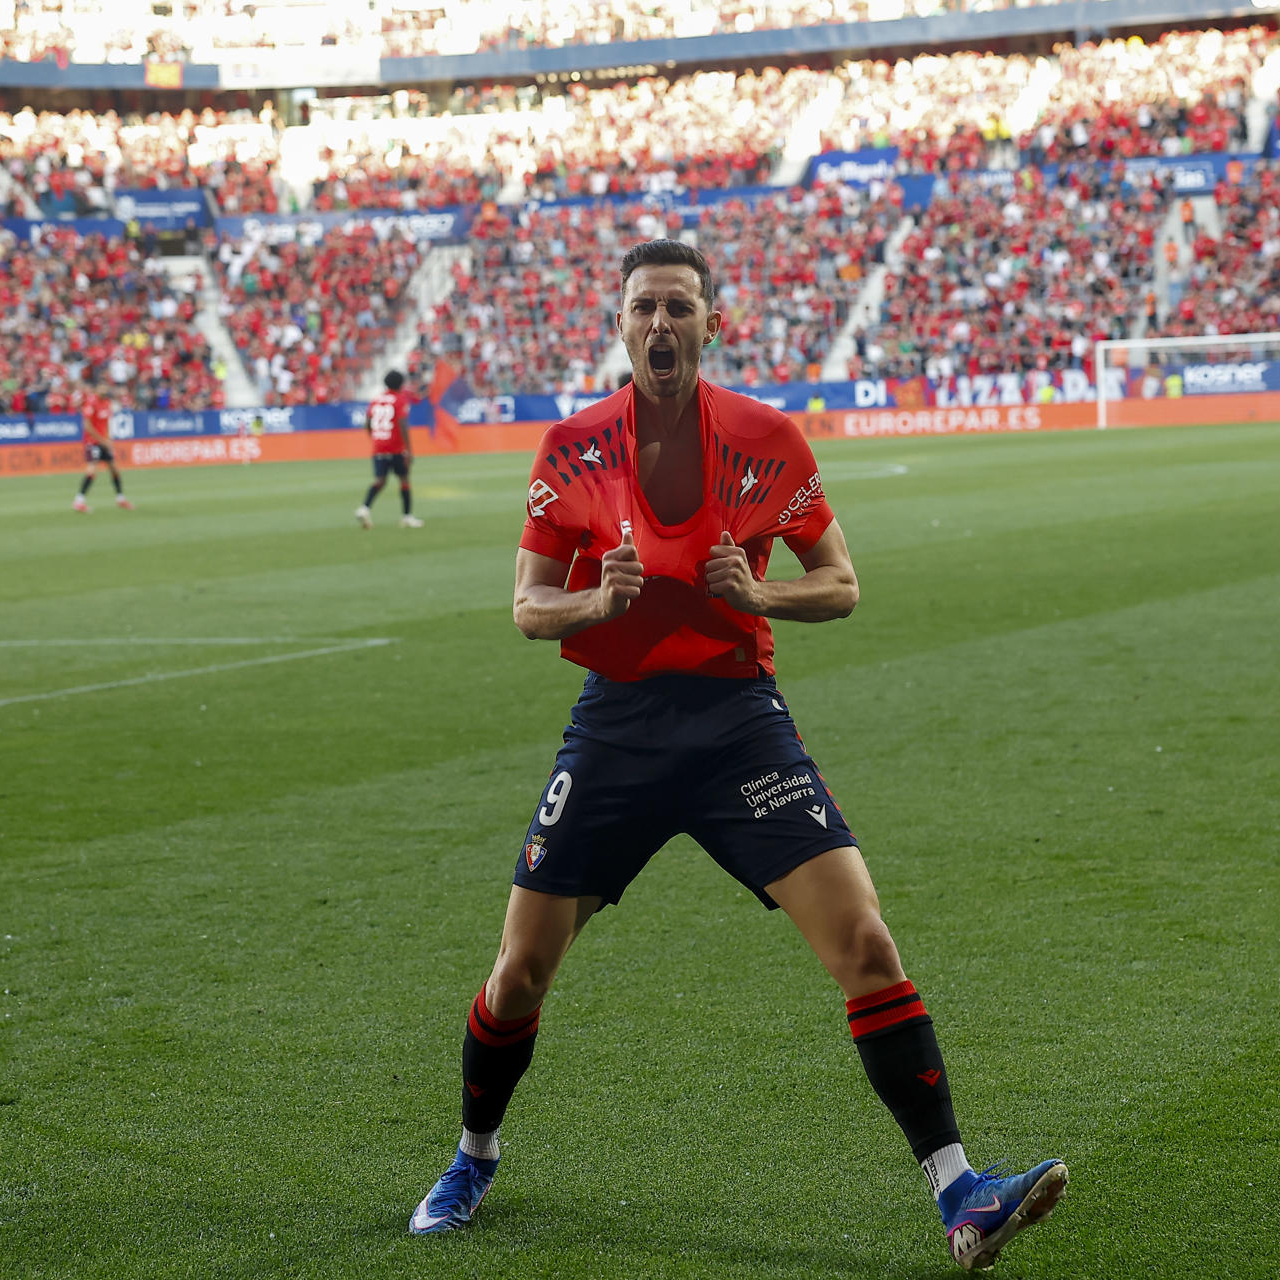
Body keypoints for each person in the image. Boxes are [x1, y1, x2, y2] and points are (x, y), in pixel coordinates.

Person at [407, 241, 1067, 1271]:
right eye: (643, 308)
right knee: (522, 967)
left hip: (736, 727)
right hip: (616, 725)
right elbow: (529, 605)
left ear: (715, 322)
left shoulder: (766, 441)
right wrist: (597, 601)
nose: (660, 324)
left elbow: (841, 581)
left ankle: (960, 1190)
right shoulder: (573, 450)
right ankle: (471, 1156)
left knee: (867, 943)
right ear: (619, 325)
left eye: (679, 306)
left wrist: (762, 596)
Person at [356, 370, 422, 528]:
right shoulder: (400, 400)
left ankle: (364, 508)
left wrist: (375, 437)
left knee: (380, 480)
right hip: (396, 447)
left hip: (379, 446)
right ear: (400, 384)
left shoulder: (376, 400)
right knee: (404, 479)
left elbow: (367, 423)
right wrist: (409, 449)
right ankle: (407, 516)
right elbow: (402, 424)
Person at [74, 384, 132, 512]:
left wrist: (108, 439)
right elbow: (87, 426)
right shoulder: (90, 403)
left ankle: (120, 499)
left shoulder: (107, 403)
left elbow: (106, 424)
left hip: (104, 442)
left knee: (114, 469)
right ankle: (79, 501)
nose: (105, 390)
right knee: (92, 470)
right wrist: (102, 440)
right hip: (92, 442)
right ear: (97, 389)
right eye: (102, 387)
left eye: (106, 388)